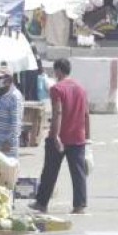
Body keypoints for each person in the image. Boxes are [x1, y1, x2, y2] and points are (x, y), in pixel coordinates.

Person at [30, 59, 90, 214]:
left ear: (58, 71)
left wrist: (55, 135)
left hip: (61, 136)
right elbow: (86, 114)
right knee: (78, 172)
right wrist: (87, 136)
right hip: (78, 137)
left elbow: (58, 112)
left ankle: (42, 203)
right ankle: (80, 205)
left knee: (50, 170)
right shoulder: (81, 89)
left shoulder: (57, 89)